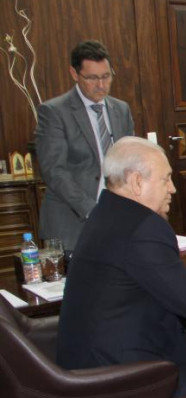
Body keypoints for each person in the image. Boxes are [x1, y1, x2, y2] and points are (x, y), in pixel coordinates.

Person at [57, 136, 186, 398]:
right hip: (132, 380)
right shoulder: (144, 227)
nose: (173, 188)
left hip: (89, 369)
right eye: (166, 179)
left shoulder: (105, 214)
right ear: (137, 182)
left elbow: (143, 279)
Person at [35, 40, 134, 252]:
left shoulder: (121, 109)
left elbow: (130, 160)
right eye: (92, 78)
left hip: (117, 217)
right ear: (74, 74)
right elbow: (54, 171)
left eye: (106, 76)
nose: (101, 85)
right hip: (73, 221)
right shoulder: (54, 112)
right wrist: (93, 210)